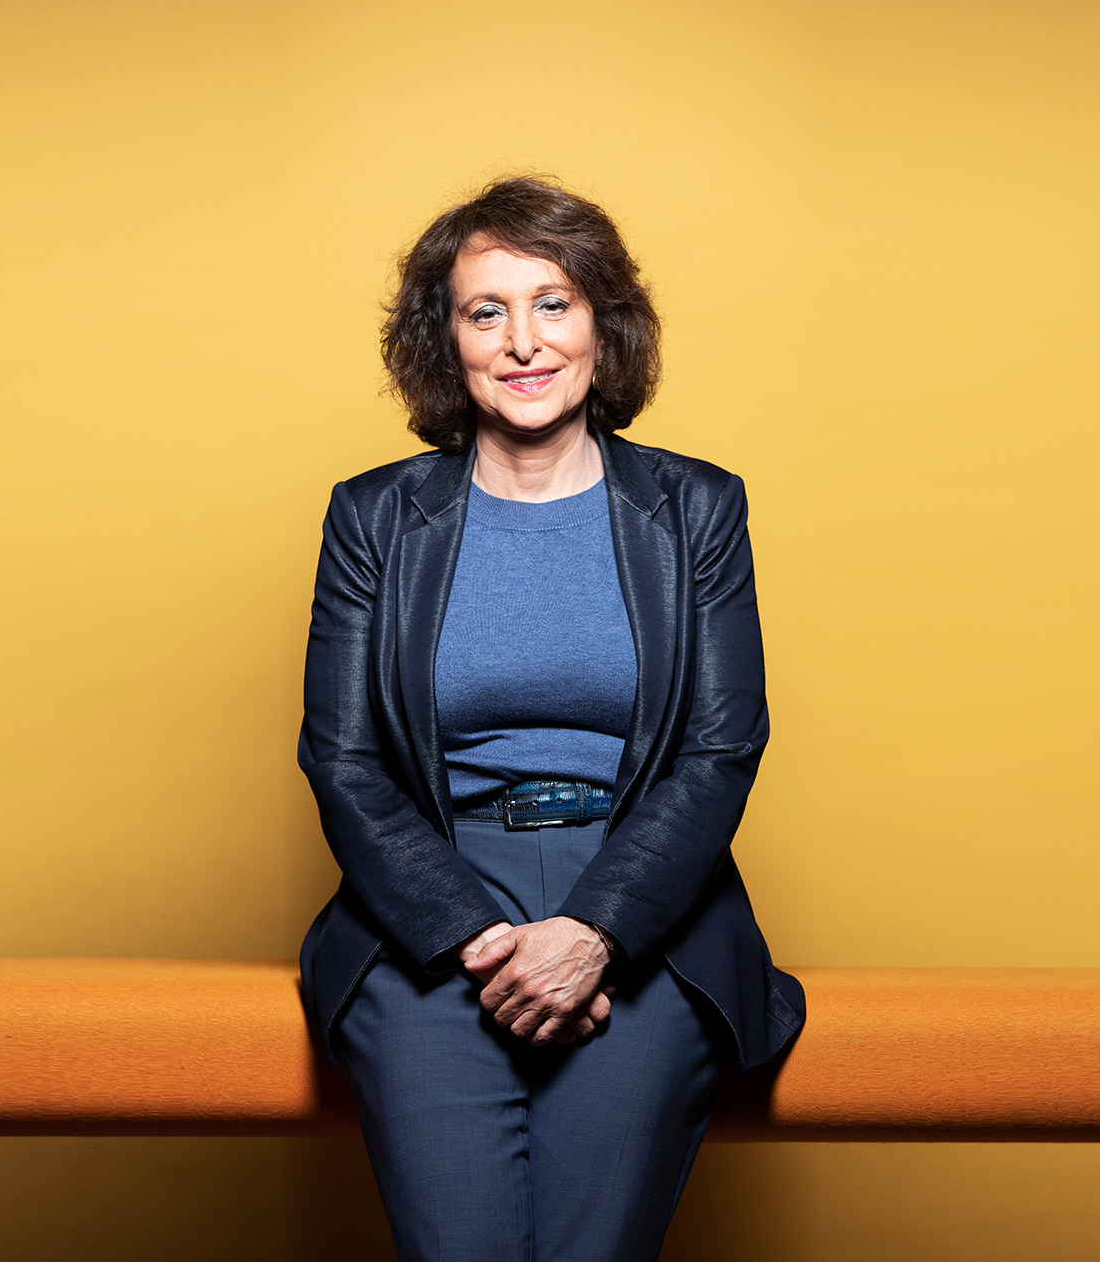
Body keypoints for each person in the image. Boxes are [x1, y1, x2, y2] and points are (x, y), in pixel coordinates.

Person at [297, 175, 805, 1262]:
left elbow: (722, 746)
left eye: (553, 303)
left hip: (646, 904)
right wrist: (474, 936)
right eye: (486, 311)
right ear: (448, 343)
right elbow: (341, 759)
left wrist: (597, 929)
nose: (522, 341)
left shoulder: (697, 507)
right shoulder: (373, 516)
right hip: (429, 910)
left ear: (602, 326)